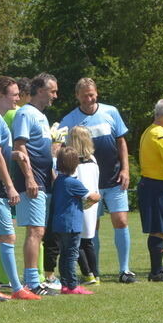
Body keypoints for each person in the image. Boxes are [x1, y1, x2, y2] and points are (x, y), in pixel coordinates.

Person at [60, 78, 136, 283]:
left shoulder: (111, 112)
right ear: (77, 96)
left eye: (92, 94)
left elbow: (121, 142)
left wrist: (126, 170)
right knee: (92, 227)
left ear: (97, 93)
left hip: (114, 178)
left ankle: (125, 270)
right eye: (85, 95)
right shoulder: (69, 120)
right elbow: (59, 148)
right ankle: (95, 271)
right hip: (87, 184)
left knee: (120, 221)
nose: (89, 98)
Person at [0, 77, 39, 301]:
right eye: (14, 94)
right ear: (1, 95)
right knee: (8, 236)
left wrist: (13, 154)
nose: (17, 98)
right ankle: (16, 287)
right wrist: (10, 185)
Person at [13, 73, 59, 296]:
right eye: (53, 91)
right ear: (40, 90)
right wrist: (29, 177)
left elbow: (44, 152)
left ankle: (36, 278)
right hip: (32, 183)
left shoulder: (41, 116)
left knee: (40, 230)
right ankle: (31, 281)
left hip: (44, 181)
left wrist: (52, 174)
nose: (55, 96)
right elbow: (20, 147)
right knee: (35, 230)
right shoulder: (25, 113)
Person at [50, 146, 100, 294]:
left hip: (59, 224)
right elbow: (91, 197)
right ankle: (72, 285)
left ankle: (65, 284)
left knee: (64, 254)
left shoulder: (59, 180)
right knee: (72, 255)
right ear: (74, 164)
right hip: (72, 225)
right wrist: (98, 195)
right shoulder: (73, 183)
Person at [137, 98, 163, 282]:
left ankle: (157, 270)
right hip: (160, 186)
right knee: (160, 230)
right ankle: (157, 272)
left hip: (151, 184)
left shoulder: (149, 131)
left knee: (159, 229)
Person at [66, 126, 101, 284]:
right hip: (93, 203)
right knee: (88, 241)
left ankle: (87, 274)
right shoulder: (92, 159)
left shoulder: (73, 162)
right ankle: (95, 273)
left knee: (76, 241)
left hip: (79, 203)